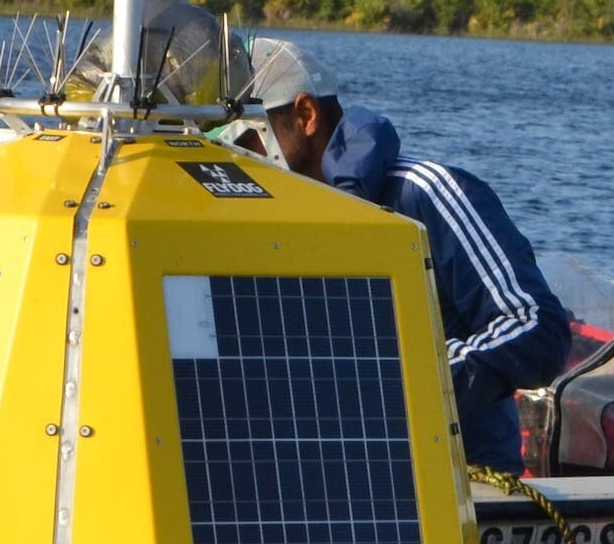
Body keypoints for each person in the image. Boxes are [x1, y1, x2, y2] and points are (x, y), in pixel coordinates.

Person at [243, 38, 573, 469]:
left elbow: (538, 329)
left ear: (306, 115)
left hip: (458, 478)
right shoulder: (257, 217)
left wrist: (400, 381)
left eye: (247, 139)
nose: (239, 161)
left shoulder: (425, 193)